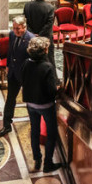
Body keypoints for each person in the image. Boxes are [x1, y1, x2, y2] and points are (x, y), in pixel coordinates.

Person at [21, 37, 62, 173]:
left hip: (30, 104)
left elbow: (23, 80)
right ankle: (48, 163)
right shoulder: (47, 67)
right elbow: (51, 90)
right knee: (51, 134)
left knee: (35, 131)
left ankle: (37, 159)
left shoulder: (26, 62)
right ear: (45, 51)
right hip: (45, 105)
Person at [0, 16, 36, 138]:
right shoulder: (12, 35)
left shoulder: (31, 39)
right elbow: (10, 52)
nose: (15, 31)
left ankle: (34, 123)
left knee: (30, 100)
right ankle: (7, 125)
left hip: (25, 75)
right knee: (10, 99)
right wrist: (8, 65)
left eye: (18, 29)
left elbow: (33, 60)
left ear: (24, 27)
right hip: (13, 73)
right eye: (13, 28)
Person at [23, 0, 56, 64]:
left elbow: (25, 21)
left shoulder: (27, 5)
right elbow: (49, 24)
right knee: (49, 60)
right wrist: (40, 34)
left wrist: (32, 34)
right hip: (45, 38)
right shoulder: (50, 7)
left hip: (31, 38)